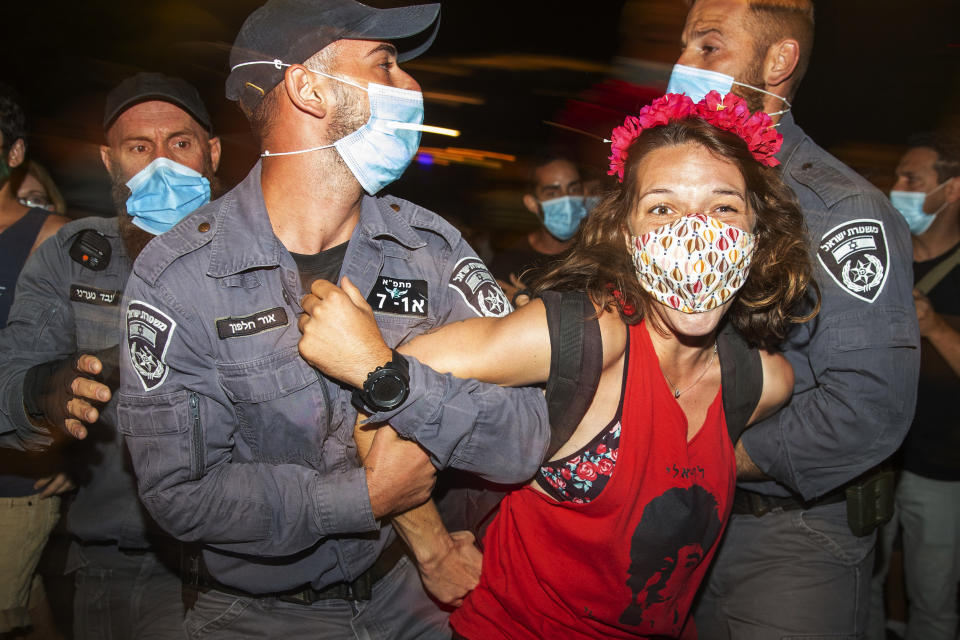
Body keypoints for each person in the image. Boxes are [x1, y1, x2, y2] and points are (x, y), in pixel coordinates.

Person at [298, 90, 814, 638]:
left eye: (724, 206)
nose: (695, 233)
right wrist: (433, 551)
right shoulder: (585, 334)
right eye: (662, 207)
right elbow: (381, 386)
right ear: (626, 231)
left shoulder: (761, 382)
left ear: (759, 234)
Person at [115, 2, 549, 638]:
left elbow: (530, 435)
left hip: (411, 602)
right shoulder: (177, 277)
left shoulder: (430, 248)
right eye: (386, 64)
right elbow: (179, 493)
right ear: (308, 87)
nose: (412, 87)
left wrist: (389, 376)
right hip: (255, 618)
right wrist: (364, 499)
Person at [665, 1, 921, 637]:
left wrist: (711, 457)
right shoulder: (681, 192)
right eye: (683, 47)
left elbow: (867, 406)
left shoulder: (840, 211)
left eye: (708, 48)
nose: (680, 67)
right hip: (684, 523)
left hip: (792, 540)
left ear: (777, 62)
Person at [0, 71, 221, 640]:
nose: (162, 164)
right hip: (113, 566)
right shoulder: (74, 257)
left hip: (235, 568)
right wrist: (42, 393)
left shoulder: (269, 253)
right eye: (138, 147)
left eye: (180, 143)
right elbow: (9, 382)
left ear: (212, 152)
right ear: (109, 161)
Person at [868, 134, 960, 640]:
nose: (895, 188)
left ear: (952, 191)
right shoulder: (883, 256)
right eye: (897, 176)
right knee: (862, 586)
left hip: (942, 470)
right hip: (877, 458)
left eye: (912, 179)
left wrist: (937, 329)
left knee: (934, 598)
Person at [0, 83, 70, 639]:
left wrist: (75, 445)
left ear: (15, 152)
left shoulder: (51, 239)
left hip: (14, 474)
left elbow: (96, 351)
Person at [490, 152, 586, 304]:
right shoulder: (508, 264)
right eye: (553, 193)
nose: (566, 200)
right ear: (532, 204)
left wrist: (534, 306)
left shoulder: (595, 254)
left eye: (574, 189)